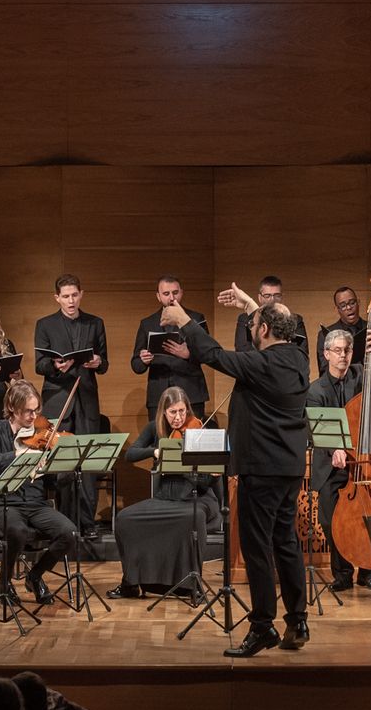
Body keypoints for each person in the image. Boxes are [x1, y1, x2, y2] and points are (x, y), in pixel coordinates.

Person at [165, 282, 310, 657]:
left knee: (257, 547)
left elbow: (212, 353)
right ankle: (297, 620)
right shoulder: (298, 359)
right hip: (289, 468)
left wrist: (183, 319)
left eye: (254, 325)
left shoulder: (259, 364)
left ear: (263, 331)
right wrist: (251, 307)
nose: (251, 330)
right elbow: (265, 335)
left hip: (260, 469)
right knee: (286, 542)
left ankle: (262, 626)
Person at [0, 380, 82, 607]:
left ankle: (35, 575)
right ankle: (4, 583)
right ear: (12, 408)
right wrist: (16, 454)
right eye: (28, 412)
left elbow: (53, 482)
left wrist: (65, 469)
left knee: (69, 534)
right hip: (4, 503)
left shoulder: (42, 432)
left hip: (36, 502)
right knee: (17, 531)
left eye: (36, 410)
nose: (34, 417)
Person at [109, 387, 221, 599]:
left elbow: (206, 481)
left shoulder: (199, 431)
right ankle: (131, 582)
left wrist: (184, 462)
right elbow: (131, 455)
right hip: (165, 498)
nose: (178, 418)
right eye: (173, 412)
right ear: (163, 412)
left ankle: (190, 584)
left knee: (193, 517)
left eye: (182, 411)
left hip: (196, 498)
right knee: (125, 518)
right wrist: (155, 451)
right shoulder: (155, 428)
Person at [306, 328, 371, 591]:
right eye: (337, 351)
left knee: (370, 517)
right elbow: (316, 430)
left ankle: (368, 572)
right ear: (326, 354)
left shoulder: (363, 377)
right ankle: (342, 573)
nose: (343, 356)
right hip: (332, 467)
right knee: (332, 521)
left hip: (365, 463)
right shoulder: (316, 390)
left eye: (346, 350)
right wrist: (335, 448)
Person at [34, 274, 110, 536]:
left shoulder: (95, 323)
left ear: (81, 294)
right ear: (57, 298)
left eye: (74, 295)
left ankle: (86, 524)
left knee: (86, 461)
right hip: (58, 399)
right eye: (65, 296)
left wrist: (97, 363)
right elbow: (39, 364)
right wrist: (56, 366)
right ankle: (64, 525)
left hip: (86, 398)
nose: (70, 300)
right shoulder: (45, 325)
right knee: (62, 462)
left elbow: (105, 363)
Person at [131, 275, 210, 419]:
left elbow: (208, 354)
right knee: (161, 440)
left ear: (182, 292)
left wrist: (188, 355)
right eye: (166, 294)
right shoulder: (147, 323)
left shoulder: (196, 319)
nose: (171, 297)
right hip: (159, 394)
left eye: (175, 292)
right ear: (158, 296)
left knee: (192, 439)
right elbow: (136, 365)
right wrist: (144, 360)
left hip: (191, 392)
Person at [316, 285, 371, 385]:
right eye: (343, 305)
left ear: (358, 302)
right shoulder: (326, 335)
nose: (349, 307)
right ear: (337, 309)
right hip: (342, 397)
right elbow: (324, 375)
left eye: (352, 303)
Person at [234, 275, 306, 352]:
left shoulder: (295, 319)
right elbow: (242, 350)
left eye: (277, 295)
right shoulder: (245, 319)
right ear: (260, 298)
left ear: (282, 297)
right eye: (267, 296)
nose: (272, 300)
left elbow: (302, 352)